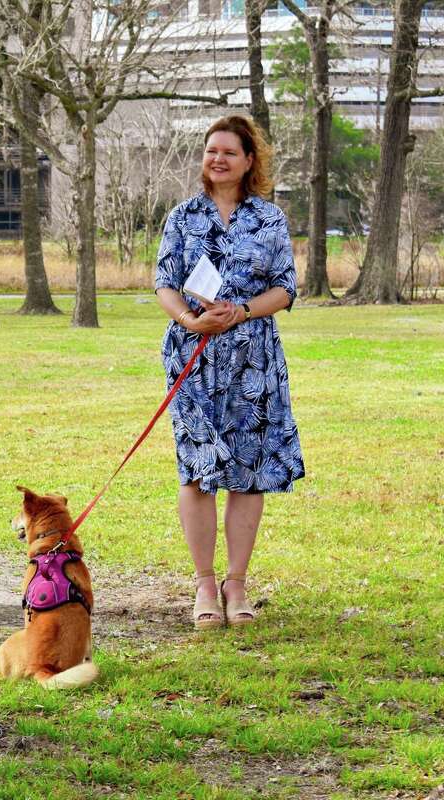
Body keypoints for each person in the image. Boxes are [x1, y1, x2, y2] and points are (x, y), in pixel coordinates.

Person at [153, 114, 305, 630]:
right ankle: (203, 584)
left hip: (252, 360)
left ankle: (236, 584)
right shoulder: (182, 217)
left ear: (249, 161)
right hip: (193, 358)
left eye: (228, 152)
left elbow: (286, 288)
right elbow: (164, 283)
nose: (216, 158)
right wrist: (189, 319)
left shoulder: (269, 220)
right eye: (210, 150)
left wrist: (239, 311)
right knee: (197, 470)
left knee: (248, 472)